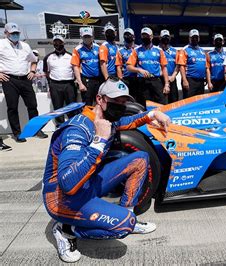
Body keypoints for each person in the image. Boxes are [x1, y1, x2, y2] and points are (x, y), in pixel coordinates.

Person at [44, 78, 171, 263]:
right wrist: (99, 142)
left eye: (123, 102)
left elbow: (129, 121)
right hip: (62, 198)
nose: (120, 106)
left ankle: (128, 212)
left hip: (88, 183)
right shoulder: (77, 129)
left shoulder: (107, 119)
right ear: (100, 99)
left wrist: (154, 115)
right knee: (123, 227)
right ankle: (66, 230)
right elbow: (68, 183)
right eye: (114, 101)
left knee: (140, 159)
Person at [0, 22, 48, 142]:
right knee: (12, 107)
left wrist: (32, 71)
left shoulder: (25, 46)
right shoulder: (1, 44)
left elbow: (34, 60)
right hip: (9, 79)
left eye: (17, 33)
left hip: (25, 79)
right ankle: (17, 133)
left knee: (32, 105)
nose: (15, 35)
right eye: (12, 33)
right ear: (6, 33)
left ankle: (35, 130)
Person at [126, 27, 169, 106]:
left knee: (161, 104)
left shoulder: (159, 50)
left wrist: (166, 84)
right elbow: (128, 67)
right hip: (142, 81)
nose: (145, 38)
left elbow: (164, 68)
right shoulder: (136, 50)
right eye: (143, 36)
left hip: (156, 81)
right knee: (143, 105)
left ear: (151, 37)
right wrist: (139, 70)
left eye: (147, 36)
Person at [43, 35, 76, 125]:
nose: (57, 44)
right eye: (55, 42)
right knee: (57, 107)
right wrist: (50, 84)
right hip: (55, 85)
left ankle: (72, 125)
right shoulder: (48, 57)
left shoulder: (71, 56)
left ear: (63, 43)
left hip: (69, 84)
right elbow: (46, 72)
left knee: (72, 107)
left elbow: (76, 70)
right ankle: (60, 126)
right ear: (53, 43)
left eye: (59, 42)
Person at [71, 27, 102, 106]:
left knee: (100, 103)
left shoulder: (99, 48)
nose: (87, 38)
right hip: (86, 80)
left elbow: (103, 64)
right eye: (85, 36)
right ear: (81, 37)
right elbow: (75, 67)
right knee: (87, 104)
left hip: (98, 80)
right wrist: (80, 83)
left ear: (93, 36)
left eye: (89, 36)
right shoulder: (78, 49)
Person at [177, 29, 207, 98]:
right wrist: (184, 80)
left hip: (201, 81)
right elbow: (182, 66)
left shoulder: (202, 51)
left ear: (199, 38)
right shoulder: (184, 49)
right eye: (193, 37)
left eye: (196, 37)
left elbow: (204, 66)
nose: (195, 39)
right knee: (189, 102)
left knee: (200, 101)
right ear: (189, 38)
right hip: (190, 80)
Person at [116, 28, 138, 103]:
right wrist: (121, 79)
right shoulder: (120, 50)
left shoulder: (138, 49)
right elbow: (118, 66)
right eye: (125, 35)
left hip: (138, 78)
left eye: (129, 35)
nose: (127, 36)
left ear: (133, 37)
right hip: (126, 79)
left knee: (138, 98)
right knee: (126, 99)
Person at [159, 29, 179, 103]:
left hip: (172, 79)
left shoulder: (175, 51)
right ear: (160, 38)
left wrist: (173, 76)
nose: (166, 39)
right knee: (161, 101)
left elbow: (178, 65)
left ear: (170, 38)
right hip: (160, 79)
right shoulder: (157, 50)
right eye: (164, 37)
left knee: (174, 101)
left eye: (167, 37)